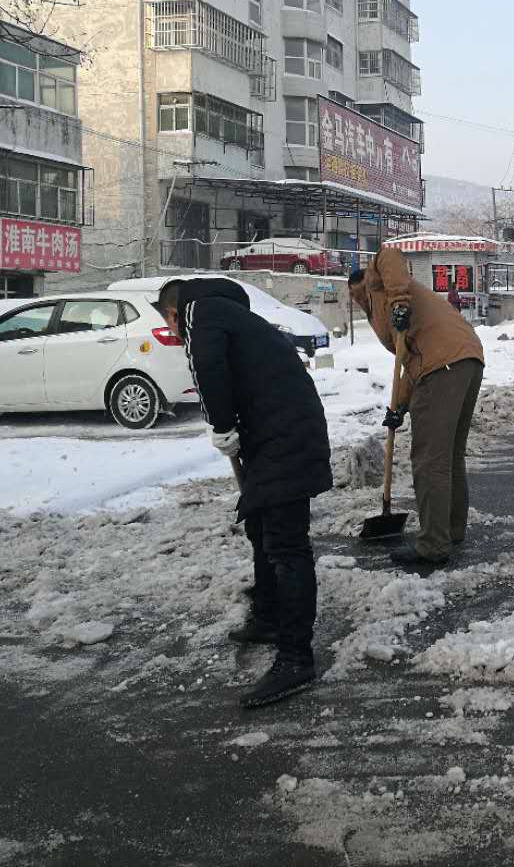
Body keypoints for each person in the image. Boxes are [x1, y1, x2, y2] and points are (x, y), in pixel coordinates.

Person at [156, 277, 332, 709]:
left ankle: (296, 658)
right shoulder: (229, 314)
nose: (175, 336)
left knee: (287, 545)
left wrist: (220, 425)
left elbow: (208, 369)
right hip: (281, 430)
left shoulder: (200, 314)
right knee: (260, 524)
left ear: (173, 313)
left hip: (283, 437)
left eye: (170, 327)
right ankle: (269, 616)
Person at [349, 245, 486, 572]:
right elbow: (410, 360)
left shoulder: (379, 283)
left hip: (443, 365)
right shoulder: (386, 312)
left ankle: (433, 544)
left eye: (354, 294)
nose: (355, 300)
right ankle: (450, 530)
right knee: (448, 456)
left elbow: (389, 254)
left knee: (429, 460)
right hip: (464, 359)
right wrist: (399, 406)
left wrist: (398, 302)